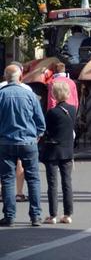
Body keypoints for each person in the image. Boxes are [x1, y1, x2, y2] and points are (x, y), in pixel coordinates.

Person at [0, 65, 46, 227]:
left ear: (5, 78)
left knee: (7, 179)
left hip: (6, 142)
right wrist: (36, 136)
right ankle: (35, 216)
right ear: (20, 78)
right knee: (33, 179)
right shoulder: (30, 95)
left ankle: (9, 216)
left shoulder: (1, 95)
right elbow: (40, 122)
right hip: (28, 141)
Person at [40, 81, 75, 224]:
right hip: (67, 150)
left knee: (52, 184)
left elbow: (46, 130)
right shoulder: (73, 109)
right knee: (67, 182)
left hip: (53, 151)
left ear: (54, 94)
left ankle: (53, 215)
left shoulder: (52, 112)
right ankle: (68, 214)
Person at [0, 61, 32, 204]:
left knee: (3, 165)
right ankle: (19, 193)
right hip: (22, 135)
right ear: (20, 74)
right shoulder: (27, 89)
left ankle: (2, 192)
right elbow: (34, 114)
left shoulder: (0, 89)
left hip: (3, 135)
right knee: (20, 163)